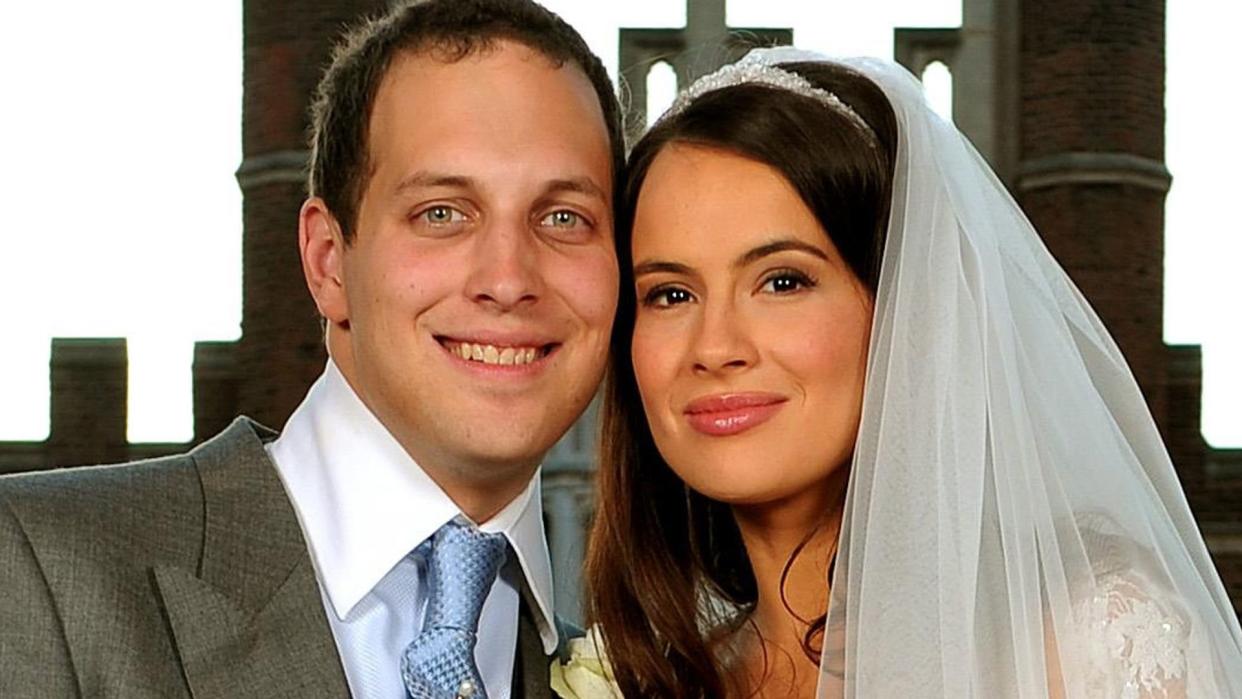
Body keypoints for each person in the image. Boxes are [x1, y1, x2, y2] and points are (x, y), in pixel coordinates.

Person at [0, 1, 623, 697]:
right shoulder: (37, 569)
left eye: (564, 217)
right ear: (329, 262)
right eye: (441, 213)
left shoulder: (624, 674)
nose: (508, 279)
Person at [584, 48, 1242, 698]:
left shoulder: (1082, 647)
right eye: (671, 293)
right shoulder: (665, 679)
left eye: (782, 281)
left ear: (909, 306)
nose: (715, 345)